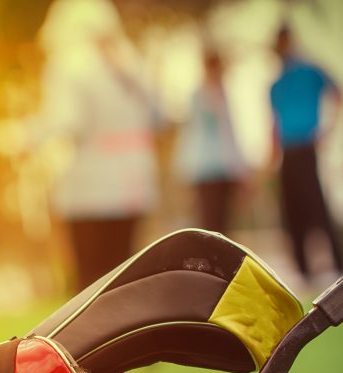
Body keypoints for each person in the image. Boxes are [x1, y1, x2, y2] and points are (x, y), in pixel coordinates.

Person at [22, 0, 161, 292]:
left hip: (89, 189)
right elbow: (159, 116)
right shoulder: (130, 62)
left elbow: (69, 122)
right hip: (132, 185)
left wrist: (26, 136)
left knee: (89, 285)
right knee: (120, 280)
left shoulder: (70, 63)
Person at [269, 23, 343, 284]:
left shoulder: (310, 71)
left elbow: (338, 93)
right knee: (292, 210)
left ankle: (337, 266)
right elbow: (274, 124)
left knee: (316, 207)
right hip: (287, 154)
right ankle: (303, 271)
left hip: (307, 148)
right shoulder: (276, 83)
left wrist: (328, 130)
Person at [175, 46, 248, 237]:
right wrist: (184, 170)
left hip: (224, 170)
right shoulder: (198, 96)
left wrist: (241, 170)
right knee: (208, 221)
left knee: (224, 222)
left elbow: (231, 135)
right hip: (204, 170)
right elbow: (190, 135)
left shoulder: (224, 95)